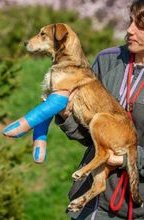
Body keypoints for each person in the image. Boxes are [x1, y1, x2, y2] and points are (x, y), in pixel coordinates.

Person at [56, 0, 144, 219]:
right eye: (130, 22)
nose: (129, 30)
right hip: (94, 203)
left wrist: (126, 159)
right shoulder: (107, 60)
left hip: (136, 206)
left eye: (141, 26)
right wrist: (66, 114)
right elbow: (88, 135)